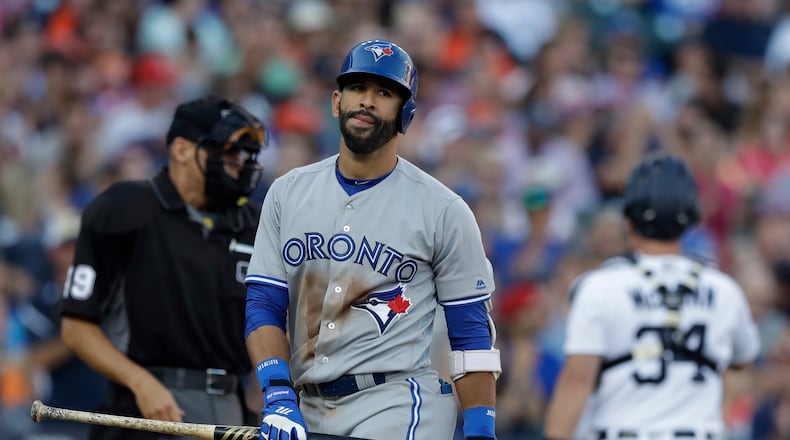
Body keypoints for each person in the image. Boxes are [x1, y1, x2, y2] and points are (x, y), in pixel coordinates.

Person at [244, 39, 500, 440]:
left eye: (384, 92)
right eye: (357, 88)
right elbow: (264, 304)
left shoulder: (443, 209)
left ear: (406, 114)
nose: (367, 101)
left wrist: (481, 429)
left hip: (398, 401)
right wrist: (277, 392)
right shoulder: (287, 193)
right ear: (335, 101)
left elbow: (470, 332)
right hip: (305, 402)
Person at [59, 95, 267, 439]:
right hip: (144, 408)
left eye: (244, 153)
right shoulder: (123, 208)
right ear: (182, 149)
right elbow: (77, 327)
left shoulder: (256, 222)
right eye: (227, 150)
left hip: (232, 407)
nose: (238, 162)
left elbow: (278, 325)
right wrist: (141, 382)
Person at [543, 154, 761, 440]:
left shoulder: (599, 286)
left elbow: (576, 381)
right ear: (691, 218)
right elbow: (743, 360)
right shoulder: (724, 289)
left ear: (629, 220)